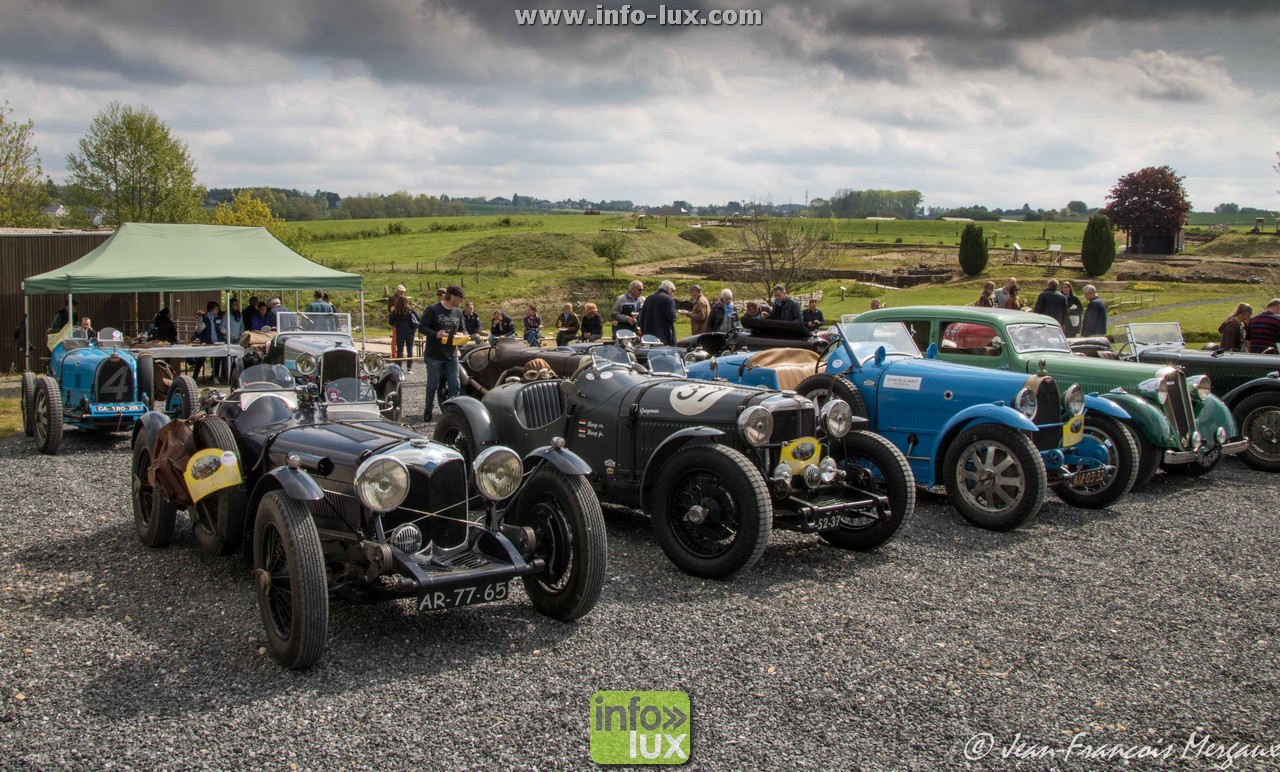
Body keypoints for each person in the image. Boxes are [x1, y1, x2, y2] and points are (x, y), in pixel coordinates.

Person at [418, 285, 466, 422]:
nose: (461, 301)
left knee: (455, 384)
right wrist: (436, 334)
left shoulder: (458, 312)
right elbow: (421, 327)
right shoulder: (433, 309)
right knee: (432, 386)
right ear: (453, 297)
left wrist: (462, 335)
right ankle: (428, 409)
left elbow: (463, 329)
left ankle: (451, 414)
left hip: (451, 355)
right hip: (434, 355)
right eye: (460, 298)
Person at [638, 280, 678, 345]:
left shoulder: (648, 298)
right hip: (664, 336)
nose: (672, 293)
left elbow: (642, 316)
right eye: (672, 291)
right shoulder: (668, 299)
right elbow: (672, 317)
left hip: (648, 334)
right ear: (668, 288)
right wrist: (676, 314)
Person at [390, 295, 417, 373]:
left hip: (400, 332)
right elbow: (418, 319)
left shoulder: (396, 311)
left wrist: (396, 324)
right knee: (410, 349)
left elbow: (390, 321)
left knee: (400, 350)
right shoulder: (411, 310)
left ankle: (399, 367)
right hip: (410, 332)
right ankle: (409, 368)